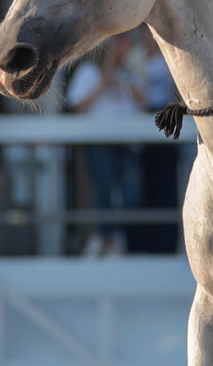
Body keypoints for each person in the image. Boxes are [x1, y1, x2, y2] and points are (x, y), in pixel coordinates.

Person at [66, 28, 157, 255]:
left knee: (131, 194)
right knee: (103, 192)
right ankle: (106, 239)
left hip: (128, 142)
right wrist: (103, 83)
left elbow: (145, 102)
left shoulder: (129, 71)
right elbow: (76, 105)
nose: (126, 47)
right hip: (100, 142)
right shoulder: (89, 71)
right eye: (122, 41)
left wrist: (127, 82)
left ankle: (112, 237)